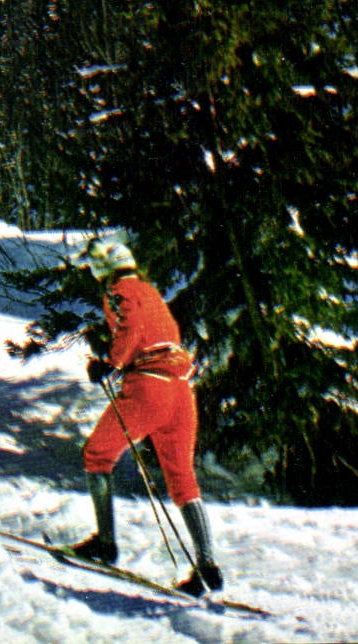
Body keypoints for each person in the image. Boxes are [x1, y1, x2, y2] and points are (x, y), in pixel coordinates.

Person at [72, 231, 224, 596]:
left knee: (97, 454)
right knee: (182, 477)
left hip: (149, 385)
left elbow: (131, 323)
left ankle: (105, 543)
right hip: (181, 391)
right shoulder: (151, 291)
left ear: (103, 267)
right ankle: (206, 564)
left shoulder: (121, 291)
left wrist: (111, 363)